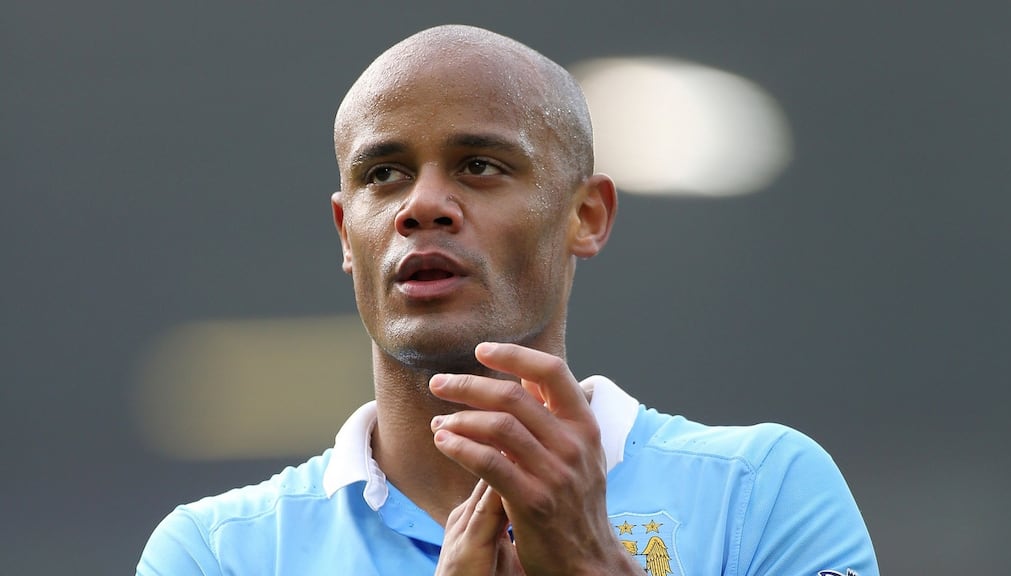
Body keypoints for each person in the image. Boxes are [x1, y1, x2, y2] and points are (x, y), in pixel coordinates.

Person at [136, 24, 878, 576]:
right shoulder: (217, 553)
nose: (423, 205)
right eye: (384, 174)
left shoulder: (761, 492)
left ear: (586, 215)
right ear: (345, 232)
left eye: (480, 165)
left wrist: (590, 567)